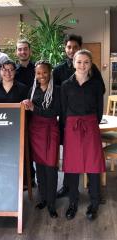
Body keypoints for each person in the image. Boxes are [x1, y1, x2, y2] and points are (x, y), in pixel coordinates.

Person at [53, 34, 105, 199]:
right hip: (69, 121)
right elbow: (59, 99)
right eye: (69, 47)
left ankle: (93, 191)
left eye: (75, 47)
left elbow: (99, 94)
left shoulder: (93, 72)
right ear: (65, 49)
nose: (71, 50)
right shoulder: (59, 71)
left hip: (88, 121)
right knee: (71, 159)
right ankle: (69, 189)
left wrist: (92, 120)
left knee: (92, 159)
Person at [61, 49, 105, 221]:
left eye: (86, 62)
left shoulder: (96, 85)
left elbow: (99, 110)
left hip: (90, 126)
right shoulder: (65, 85)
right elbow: (64, 111)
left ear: (90, 64)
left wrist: (91, 123)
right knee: (72, 167)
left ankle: (94, 203)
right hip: (72, 128)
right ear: (74, 63)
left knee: (93, 166)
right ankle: (73, 202)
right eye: (79, 62)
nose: (82, 65)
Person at [22, 60, 60, 218]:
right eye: (38, 73)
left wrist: (34, 108)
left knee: (51, 166)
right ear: (35, 74)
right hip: (36, 131)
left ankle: (52, 203)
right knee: (40, 167)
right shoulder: (32, 90)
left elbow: (55, 112)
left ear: (50, 73)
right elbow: (29, 112)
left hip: (51, 130)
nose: (41, 75)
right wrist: (24, 105)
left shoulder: (57, 90)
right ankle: (44, 198)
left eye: (44, 72)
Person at [15, 39, 36, 188]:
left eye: (25, 49)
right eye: (20, 49)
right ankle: (28, 179)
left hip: (37, 113)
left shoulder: (37, 68)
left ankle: (37, 178)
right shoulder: (13, 71)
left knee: (36, 147)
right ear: (16, 52)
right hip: (20, 114)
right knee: (23, 147)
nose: (23, 52)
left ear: (30, 51)